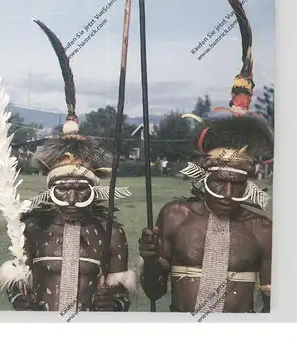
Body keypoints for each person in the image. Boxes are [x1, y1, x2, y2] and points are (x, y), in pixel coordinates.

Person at [139, 0, 273, 315]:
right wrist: (149, 259)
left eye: (237, 185)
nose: (228, 194)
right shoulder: (175, 216)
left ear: (249, 184)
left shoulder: (261, 230)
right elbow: (155, 292)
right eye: (219, 182)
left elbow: (274, 310)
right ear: (203, 178)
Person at [0, 19, 140, 313]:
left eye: (80, 190)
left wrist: (113, 304)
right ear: (49, 192)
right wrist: (19, 302)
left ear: (94, 190)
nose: (72, 200)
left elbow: (122, 295)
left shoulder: (110, 233)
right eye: (63, 191)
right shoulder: (33, 228)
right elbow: (15, 281)